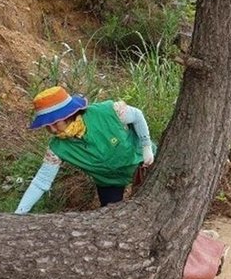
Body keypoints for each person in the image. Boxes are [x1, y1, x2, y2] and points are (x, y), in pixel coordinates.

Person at [15, 86, 155, 214]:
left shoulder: (107, 111)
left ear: (68, 114)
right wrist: (19, 213)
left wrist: (146, 146)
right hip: (109, 181)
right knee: (110, 216)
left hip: (142, 162)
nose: (52, 129)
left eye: (55, 123)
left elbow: (137, 115)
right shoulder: (57, 148)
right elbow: (41, 181)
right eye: (47, 125)